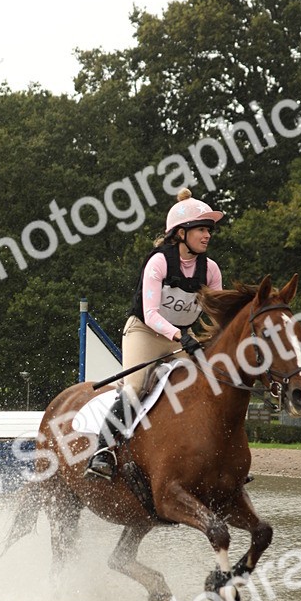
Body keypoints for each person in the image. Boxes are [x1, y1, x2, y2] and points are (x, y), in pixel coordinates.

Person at [86, 187, 224, 479]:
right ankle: (102, 452)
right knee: (135, 388)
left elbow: (218, 314)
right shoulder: (159, 261)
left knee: (212, 385)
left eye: (209, 230)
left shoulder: (210, 270)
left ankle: (217, 456)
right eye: (201, 229)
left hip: (183, 336)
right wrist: (180, 336)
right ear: (180, 233)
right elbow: (150, 315)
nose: (208, 235)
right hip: (145, 334)